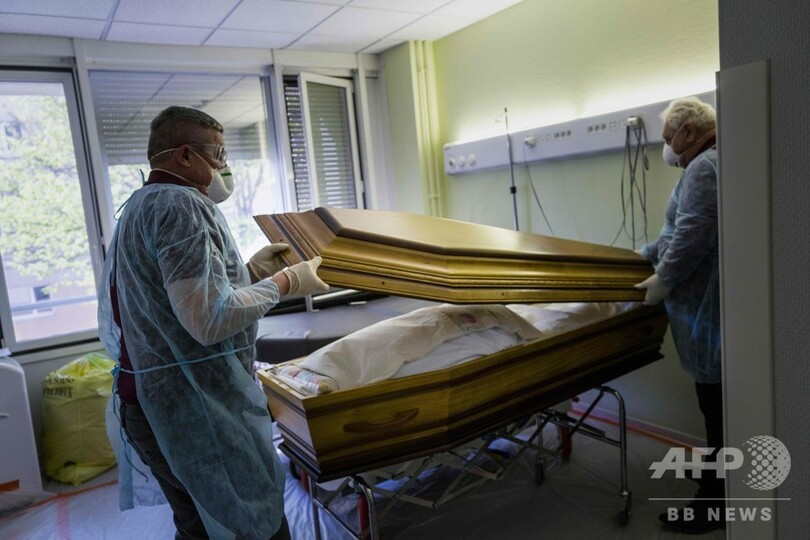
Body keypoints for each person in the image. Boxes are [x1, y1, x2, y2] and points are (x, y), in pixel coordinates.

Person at [98, 106, 329, 539]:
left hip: (154, 401)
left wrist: (250, 272)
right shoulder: (181, 206)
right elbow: (208, 319)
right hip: (190, 407)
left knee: (198, 527)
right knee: (251, 527)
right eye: (219, 154)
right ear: (185, 155)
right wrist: (286, 282)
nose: (224, 166)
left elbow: (178, 298)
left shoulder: (141, 205)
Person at [634, 96, 722, 534]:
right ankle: (715, 473)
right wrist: (642, 256)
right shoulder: (703, 165)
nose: (666, 146)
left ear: (689, 132)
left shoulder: (705, 167)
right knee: (714, 403)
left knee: (716, 404)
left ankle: (714, 502)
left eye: (669, 138)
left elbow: (692, 235)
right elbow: (674, 231)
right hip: (702, 302)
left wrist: (663, 279)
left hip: (705, 307)